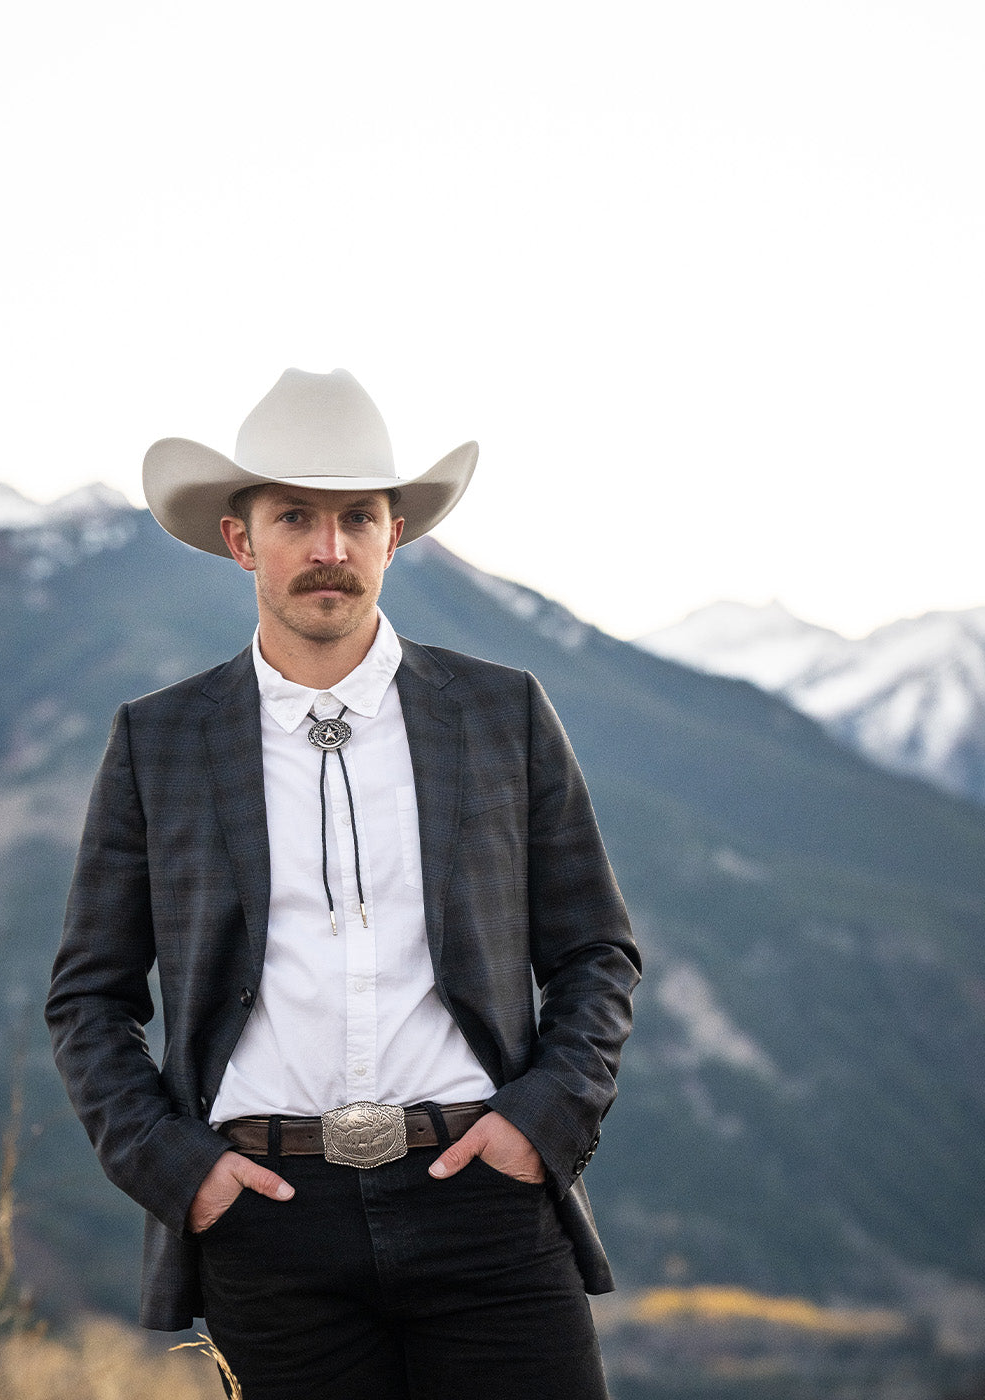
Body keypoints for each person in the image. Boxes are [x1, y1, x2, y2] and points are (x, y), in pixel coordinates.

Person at [46, 368, 641, 1400]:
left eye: (357, 516)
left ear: (393, 535)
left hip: (485, 1203)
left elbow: (595, 950)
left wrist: (542, 1121)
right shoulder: (160, 740)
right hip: (266, 1225)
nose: (330, 547)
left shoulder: (499, 713)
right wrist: (182, 1173)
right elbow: (88, 997)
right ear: (241, 540)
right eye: (295, 517)